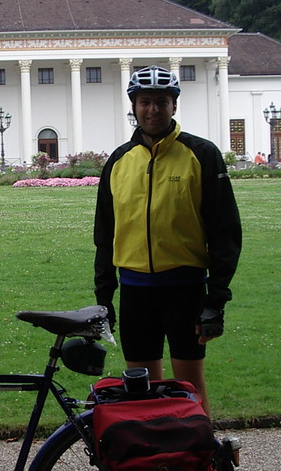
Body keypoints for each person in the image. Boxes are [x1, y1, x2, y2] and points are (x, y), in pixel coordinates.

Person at [94, 66, 242, 417]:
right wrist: (104, 298)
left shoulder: (201, 154)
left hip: (185, 291)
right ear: (134, 106)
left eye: (162, 101)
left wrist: (216, 299)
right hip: (135, 292)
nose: (153, 110)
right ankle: (155, 468)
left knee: (189, 390)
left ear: (174, 106)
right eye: (145, 101)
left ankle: (204, 465)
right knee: (143, 394)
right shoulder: (118, 161)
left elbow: (226, 231)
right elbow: (105, 234)